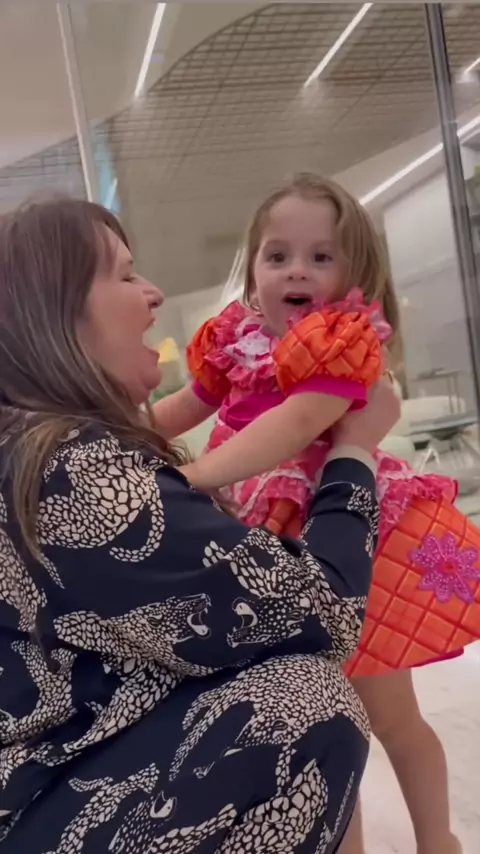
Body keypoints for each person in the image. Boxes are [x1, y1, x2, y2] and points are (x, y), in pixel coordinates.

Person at [0, 197, 401, 854]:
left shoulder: (29, 445)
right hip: (36, 806)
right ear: (56, 310)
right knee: (302, 699)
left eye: (321, 257)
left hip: (39, 783)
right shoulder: (69, 466)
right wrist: (354, 450)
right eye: (125, 274)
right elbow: (324, 613)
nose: (153, 294)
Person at [153, 173, 471, 854]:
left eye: (320, 257)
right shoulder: (233, 340)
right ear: (254, 268)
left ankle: (438, 840)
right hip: (271, 546)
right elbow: (181, 407)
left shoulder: (341, 343)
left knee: (391, 717)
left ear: (356, 274)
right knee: (319, 725)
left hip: (346, 539)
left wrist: (191, 475)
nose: (296, 270)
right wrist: (111, 435)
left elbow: (297, 425)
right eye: (278, 256)